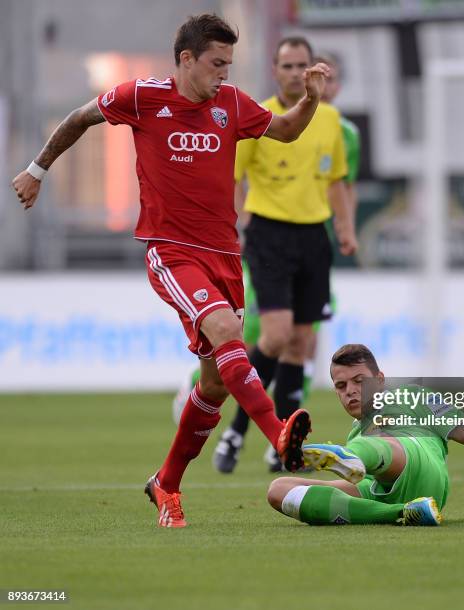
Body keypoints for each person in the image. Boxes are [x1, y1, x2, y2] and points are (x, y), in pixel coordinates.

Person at [11, 14, 333, 528]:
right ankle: (275, 431)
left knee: (214, 385)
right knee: (228, 331)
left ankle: (166, 483)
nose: (225, 74)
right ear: (186, 59)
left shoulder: (231, 104)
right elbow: (77, 118)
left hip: (225, 256)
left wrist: (312, 97)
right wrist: (37, 170)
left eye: (229, 64)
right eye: (216, 64)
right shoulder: (141, 97)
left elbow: (289, 131)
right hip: (172, 251)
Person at [212, 44, 359, 473]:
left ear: (314, 70)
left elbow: (335, 181)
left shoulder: (330, 120)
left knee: (301, 343)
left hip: (314, 236)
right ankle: (237, 430)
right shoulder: (257, 117)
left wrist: (346, 231)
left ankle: (284, 445)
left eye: (303, 65)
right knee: (274, 336)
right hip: (269, 234)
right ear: (275, 70)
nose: (297, 73)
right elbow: (234, 179)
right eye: (288, 66)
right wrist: (234, 226)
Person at [267, 344, 464, 526]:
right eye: (341, 385)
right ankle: (401, 513)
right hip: (379, 491)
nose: (350, 390)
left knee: (377, 443)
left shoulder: (413, 397)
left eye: (359, 381)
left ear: (380, 380)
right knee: (279, 490)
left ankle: (337, 455)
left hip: (423, 471)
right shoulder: (357, 430)